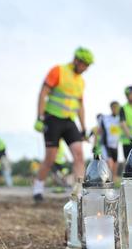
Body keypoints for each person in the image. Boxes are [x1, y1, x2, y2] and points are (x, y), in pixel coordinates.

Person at [33, 47, 93, 202]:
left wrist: (84, 127)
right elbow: (43, 93)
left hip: (69, 121)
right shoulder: (58, 70)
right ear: (77, 60)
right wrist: (40, 117)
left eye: (88, 66)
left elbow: (80, 105)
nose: (86, 69)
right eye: (84, 65)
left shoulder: (81, 82)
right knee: (50, 158)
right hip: (52, 119)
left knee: (79, 154)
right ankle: (38, 187)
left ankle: (79, 191)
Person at [97, 101, 122, 180]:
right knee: (109, 163)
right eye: (113, 107)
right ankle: (106, 179)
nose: (115, 109)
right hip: (105, 145)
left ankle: (113, 180)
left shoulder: (120, 119)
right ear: (111, 108)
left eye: (117, 107)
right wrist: (95, 144)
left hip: (115, 145)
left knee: (115, 165)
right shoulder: (105, 118)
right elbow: (98, 131)